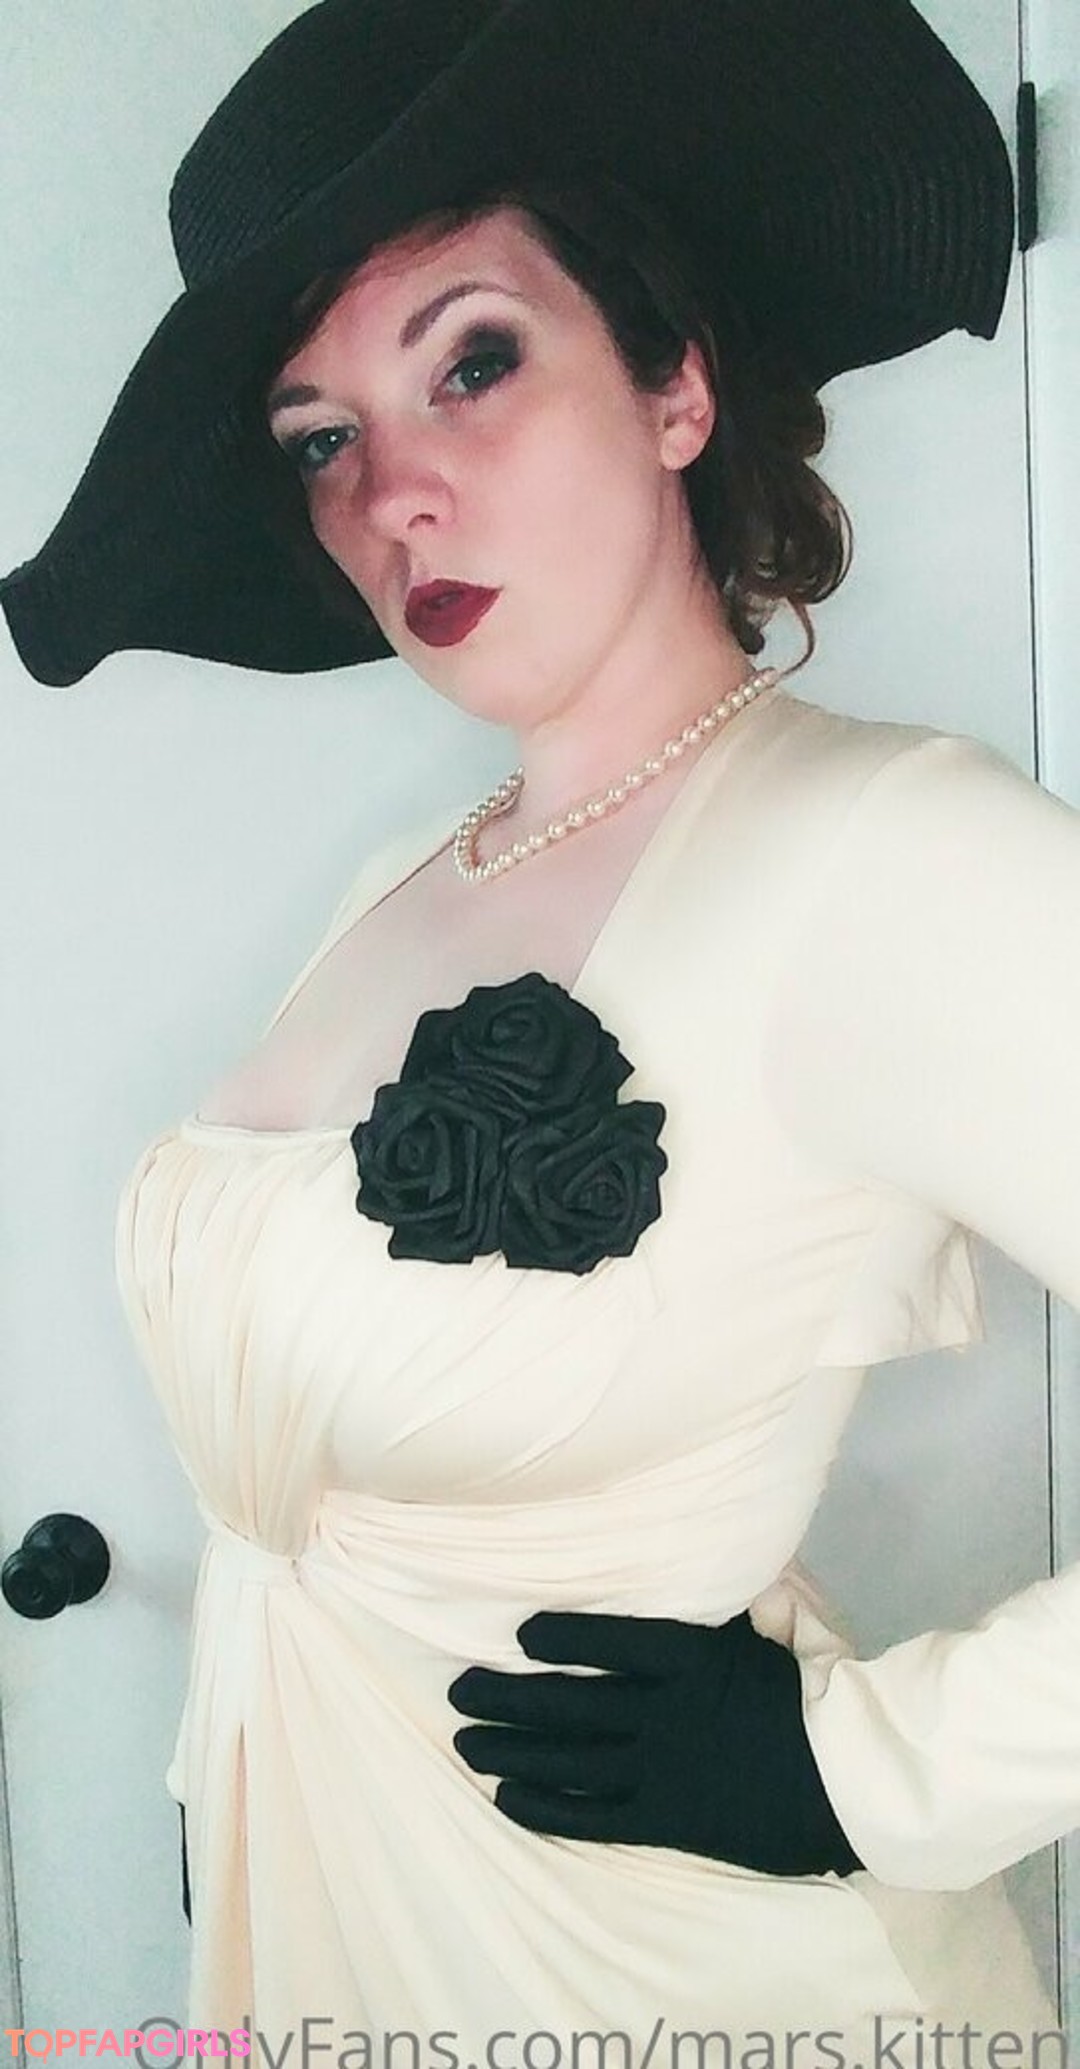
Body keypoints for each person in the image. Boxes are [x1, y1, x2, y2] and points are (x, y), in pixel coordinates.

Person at [3, 0, 1078, 2054]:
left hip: (664, 1986)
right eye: (321, 439)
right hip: (327, 1943)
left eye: (473, 361)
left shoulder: (889, 856)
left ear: (675, 387)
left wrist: (870, 1772)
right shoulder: (404, 878)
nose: (393, 495)